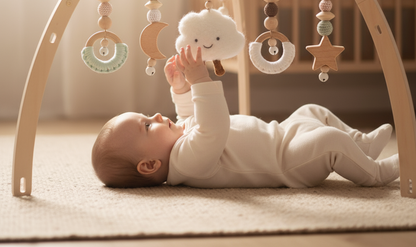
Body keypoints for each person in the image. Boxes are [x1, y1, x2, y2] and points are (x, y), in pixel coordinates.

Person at [92, 45, 399, 189]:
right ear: (149, 166)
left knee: (312, 111)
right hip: (286, 162)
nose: (157, 115)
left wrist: (181, 88)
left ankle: (362, 145)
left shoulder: (179, 138)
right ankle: (374, 173)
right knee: (330, 141)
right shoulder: (186, 165)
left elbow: (190, 115)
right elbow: (213, 127)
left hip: (282, 133)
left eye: (148, 115)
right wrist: (199, 79)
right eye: (147, 124)